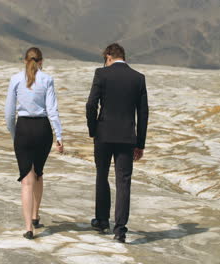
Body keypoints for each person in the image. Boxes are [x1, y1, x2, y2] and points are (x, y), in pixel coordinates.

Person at [86, 43, 148, 243]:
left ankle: (102, 220)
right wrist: (140, 143)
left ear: (108, 56)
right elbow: (144, 114)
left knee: (101, 175)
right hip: (127, 137)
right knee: (124, 182)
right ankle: (120, 230)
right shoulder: (138, 78)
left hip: (103, 135)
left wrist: (93, 129)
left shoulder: (101, 74)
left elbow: (90, 104)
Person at [5, 47, 64, 240]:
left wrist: (15, 133)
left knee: (26, 179)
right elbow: (52, 109)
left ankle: (29, 227)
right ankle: (35, 214)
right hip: (42, 129)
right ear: (41, 61)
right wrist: (59, 136)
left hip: (23, 128)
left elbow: (9, 112)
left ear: (24, 61)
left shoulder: (15, 79)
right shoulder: (47, 79)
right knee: (38, 173)